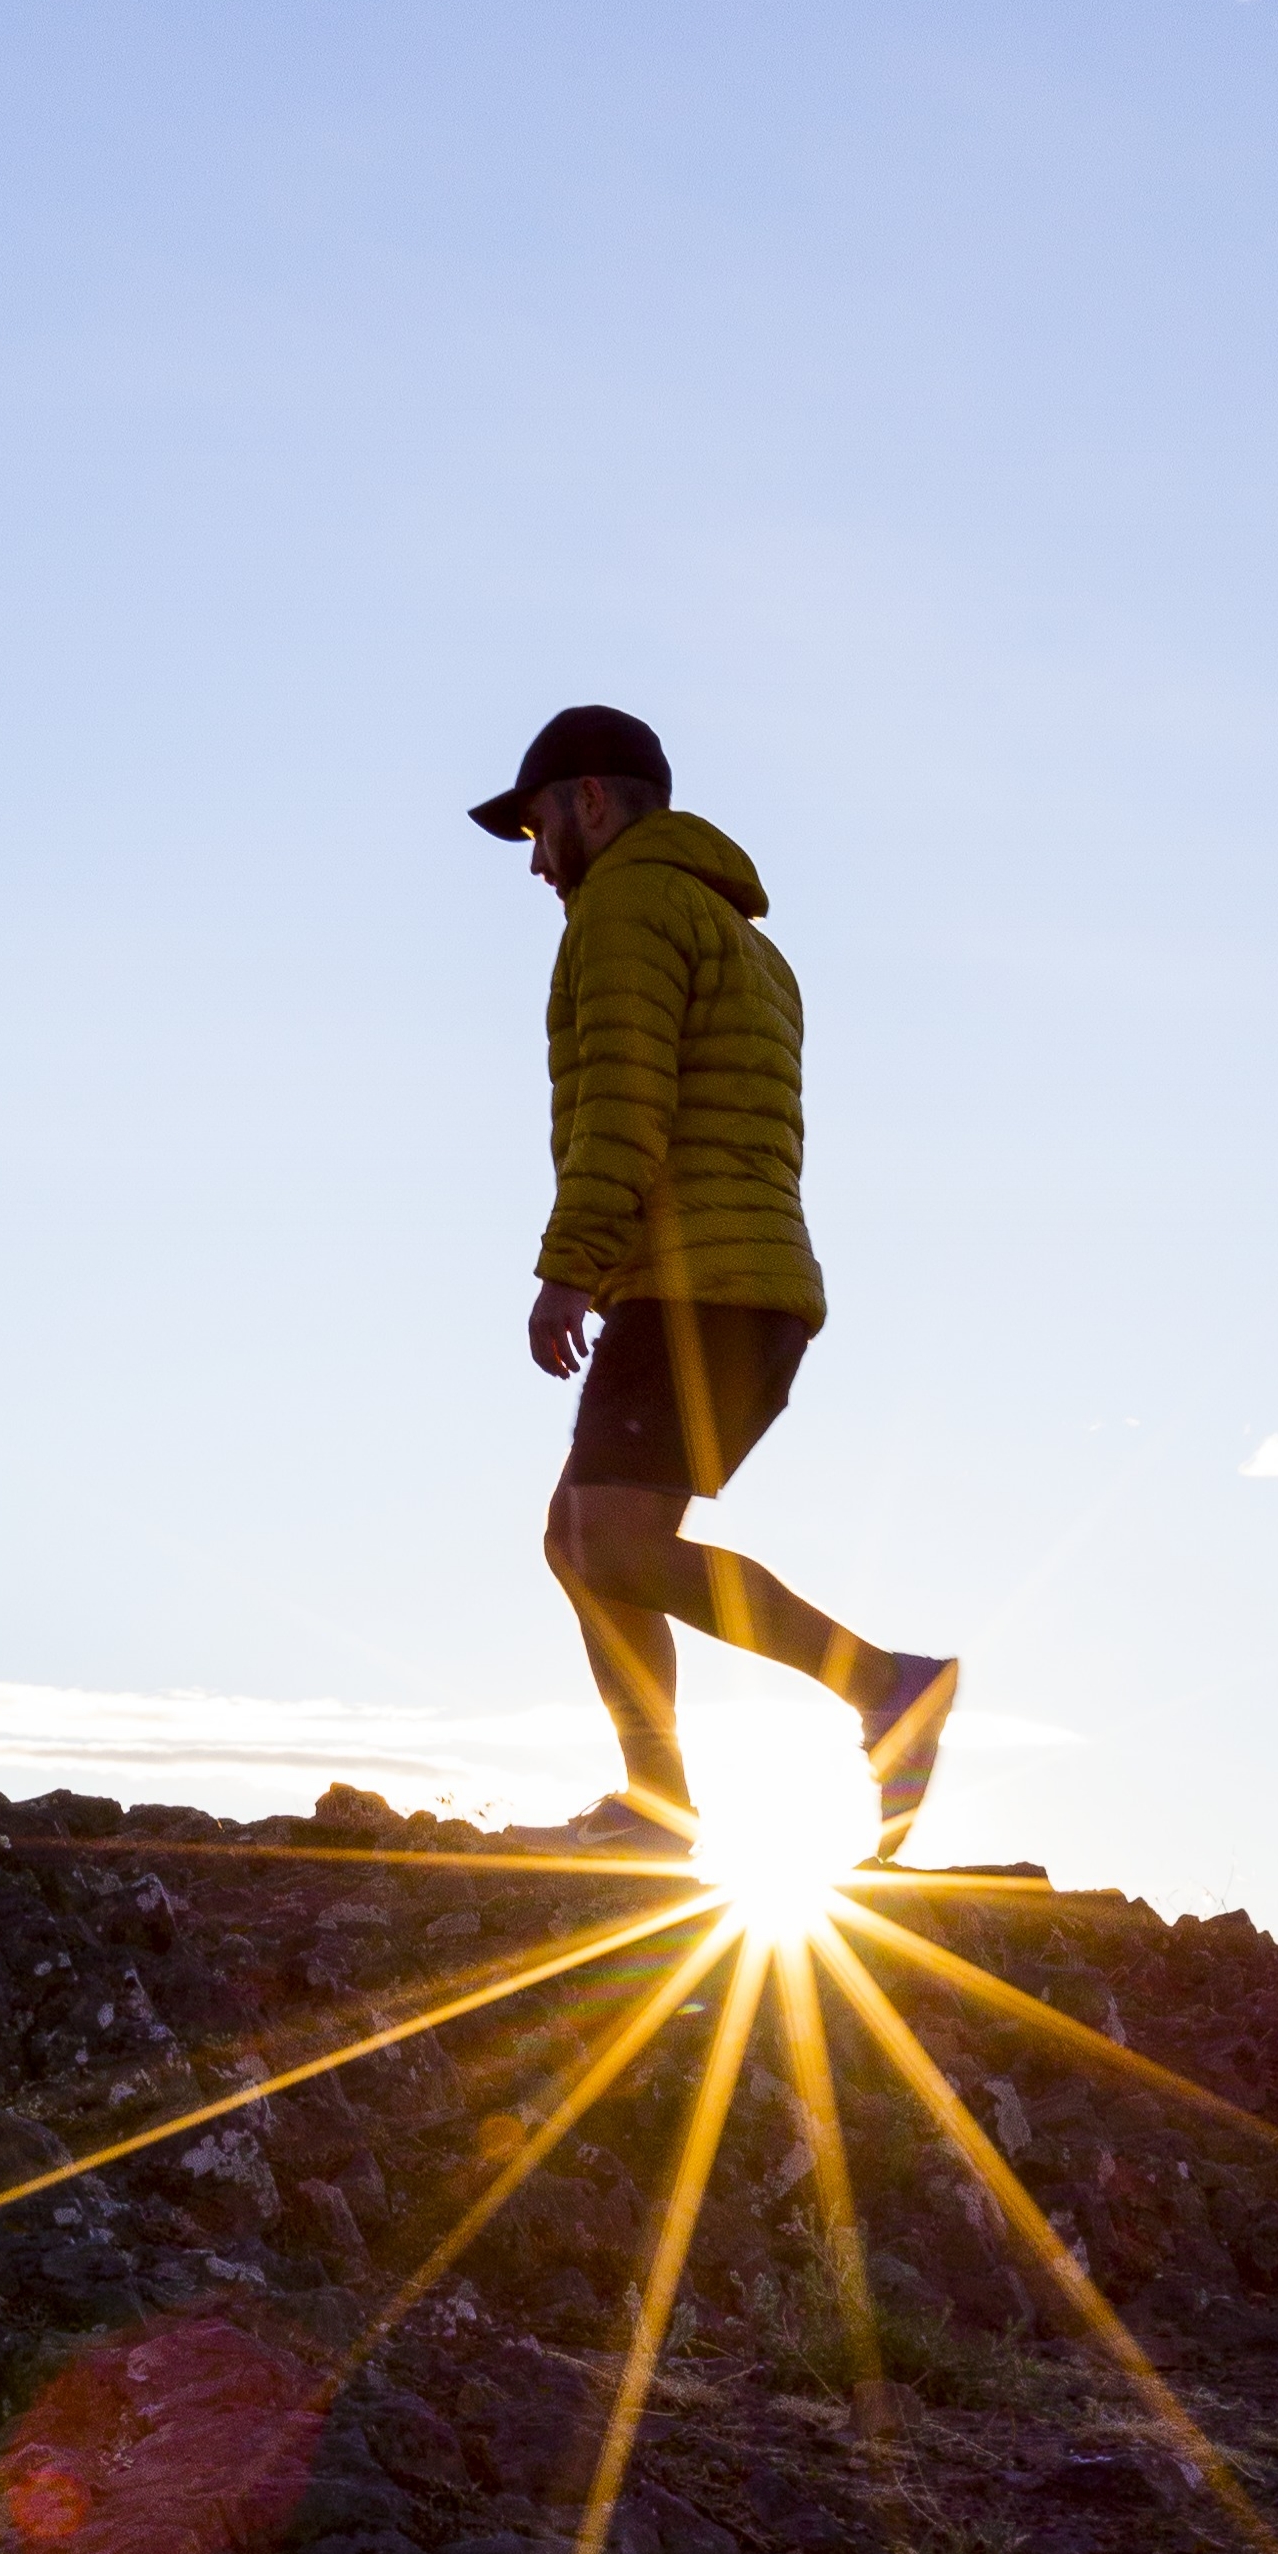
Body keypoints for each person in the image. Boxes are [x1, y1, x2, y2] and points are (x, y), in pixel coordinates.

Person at [469, 704, 957, 1864]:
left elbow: (622, 1108)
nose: (536, 863)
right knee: (577, 1536)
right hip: (744, 1287)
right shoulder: (738, 934)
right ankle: (658, 1803)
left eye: (538, 828)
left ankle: (885, 1687)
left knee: (613, 1544)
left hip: (695, 1286)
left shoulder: (626, 908)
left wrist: (566, 1270)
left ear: (592, 800)